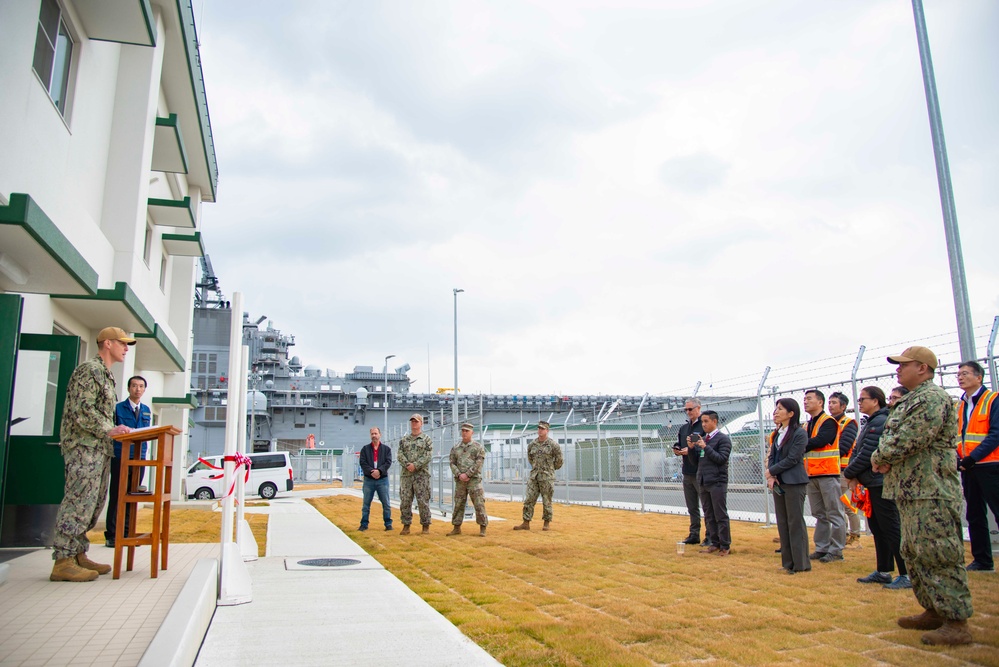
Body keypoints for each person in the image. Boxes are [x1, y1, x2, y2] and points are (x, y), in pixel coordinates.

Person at [871, 346, 973, 645]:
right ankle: (934, 609)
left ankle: (956, 621)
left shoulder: (931, 398)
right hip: (911, 489)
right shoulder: (910, 399)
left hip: (931, 489)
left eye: (905, 365)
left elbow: (910, 437)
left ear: (924, 368)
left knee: (940, 553)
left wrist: (880, 456)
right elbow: (893, 436)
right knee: (916, 552)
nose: (898, 369)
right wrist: (883, 454)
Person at [50, 327, 135, 582]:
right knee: (78, 501)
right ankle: (63, 560)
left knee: (94, 503)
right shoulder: (90, 370)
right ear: (107, 343)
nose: (126, 348)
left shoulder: (107, 375)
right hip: (83, 447)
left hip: (99, 448)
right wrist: (110, 428)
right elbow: (82, 409)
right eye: (122, 343)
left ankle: (77, 553)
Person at [844, 386, 909, 589]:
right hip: (871, 483)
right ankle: (883, 570)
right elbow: (857, 451)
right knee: (878, 528)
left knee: (891, 528)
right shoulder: (871, 422)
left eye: (863, 399)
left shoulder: (881, 421)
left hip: (881, 483)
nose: (860, 402)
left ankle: (907, 574)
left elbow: (867, 454)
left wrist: (848, 473)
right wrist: (853, 473)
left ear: (875, 401)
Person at [956, 360, 999, 572]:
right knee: (974, 514)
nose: (960, 377)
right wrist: (959, 458)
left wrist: (972, 457)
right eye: (959, 374)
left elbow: (995, 435)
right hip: (969, 467)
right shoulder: (961, 404)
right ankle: (982, 560)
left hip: (991, 466)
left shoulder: (993, 400)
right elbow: (958, 436)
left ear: (978, 377)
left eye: (965, 374)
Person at [104, 375, 151, 548]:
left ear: (144, 390)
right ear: (128, 388)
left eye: (141, 386)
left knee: (132, 496)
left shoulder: (146, 410)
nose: (137, 389)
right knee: (117, 494)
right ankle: (112, 535)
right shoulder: (118, 409)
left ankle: (127, 532)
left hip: (139, 457)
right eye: (134, 386)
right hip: (121, 456)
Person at [765, 398, 811, 574]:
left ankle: (801, 564)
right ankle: (788, 562)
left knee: (795, 522)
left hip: (794, 481)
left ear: (791, 413)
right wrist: (772, 475)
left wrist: (771, 471)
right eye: (776, 408)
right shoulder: (777, 433)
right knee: (783, 522)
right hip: (779, 481)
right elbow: (773, 456)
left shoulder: (799, 433)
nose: (776, 412)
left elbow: (793, 458)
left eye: (780, 409)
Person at [802, 389, 846, 563]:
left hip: (828, 473)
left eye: (809, 399)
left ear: (820, 402)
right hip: (812, 475)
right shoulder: (807, 424)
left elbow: (821, 440)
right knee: (819, 514)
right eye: (804, 399)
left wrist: (800, 444)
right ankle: (822, 547)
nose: (805, 401)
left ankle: (836, 550)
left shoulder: (828, 422)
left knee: (834, 513)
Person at [514, 420, 564, 531]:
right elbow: (530, 458)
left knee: (547, 500)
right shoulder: (532, 444)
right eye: (539, 428)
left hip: (546, 476)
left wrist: (551, 469)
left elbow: (559, 460)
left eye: (542, 428)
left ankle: (546, 523)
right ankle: (526, 522)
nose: (540, 430)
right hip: (534, 476)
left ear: (547, 430)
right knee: (529, 499)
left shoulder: (553, 445)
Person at [694, 411, 732, 556]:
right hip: (704, 481)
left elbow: (721, 458)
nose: (703, 424)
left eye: (706, 421)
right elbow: (698, 461)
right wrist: (692, 448)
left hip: (717, 481)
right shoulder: (704, 440)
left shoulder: (723, 439)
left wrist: (705, 447)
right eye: (702, 422)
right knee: (709, 514)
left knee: (720, 514)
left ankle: (725, 544)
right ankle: (714, 542)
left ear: (714, 421)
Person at [829, 391, 862, 547]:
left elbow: (844, 446)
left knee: (847, 504)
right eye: (829, 402)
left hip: (843, 469)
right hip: (831, 469)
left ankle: (855, 535)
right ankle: (843, 534)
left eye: (834, 402)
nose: (831, 405)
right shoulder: (828, 422)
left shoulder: (849, 423)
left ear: (843, 406)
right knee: (836, 505)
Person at [674, 398, 706, 545]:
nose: (688, 412)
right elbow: (679, 443)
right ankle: (694, 534)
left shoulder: (704, 425)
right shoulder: (684, 428)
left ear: (698, 408)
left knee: (707, 506)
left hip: (700, 470)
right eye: (686, 410)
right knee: (692, 506)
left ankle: (711, 535)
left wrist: (692, 450)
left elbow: (708, 445)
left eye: (690, 409)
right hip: (687, 471)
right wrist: (677, 449)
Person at [447, 423, 487, 537]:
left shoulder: (478, 447)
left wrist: (468, 474)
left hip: (473, 480)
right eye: (463, 430)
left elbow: (479, 463)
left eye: (467, 431)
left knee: (479, 503)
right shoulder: (456, 448)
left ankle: (483, 527)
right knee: (458, 504)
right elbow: (452, 463)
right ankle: (456, 527)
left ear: (472, 433)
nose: (464, 433)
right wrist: (459, 474)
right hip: (460, 481)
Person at [398, 414, 433, 535]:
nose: (414, 423)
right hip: (406, 475)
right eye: (412, 421)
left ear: (421, 423)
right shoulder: (404, 440)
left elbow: (428, 455)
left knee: (423, 500)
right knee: (405, 500)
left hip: (421, 475)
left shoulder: (426, 439)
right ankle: (406, 525)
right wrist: (408, 464)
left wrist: (416, 465)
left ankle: (425, 525)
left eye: (416, 421)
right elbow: (399, 454)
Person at [358, 427, 393, 532]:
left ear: (380, 434)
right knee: (366, 504)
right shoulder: (365, 449)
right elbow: (363, 462)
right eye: (372, 434)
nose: (374, 435)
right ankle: (364, 524)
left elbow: (388, 462)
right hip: (369, 480)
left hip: (382, 480)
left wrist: (379, 471)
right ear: (370, 435)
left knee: (386, 503)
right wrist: (371, 472)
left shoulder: (386, 449)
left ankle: (388, 524)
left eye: (376, 433)